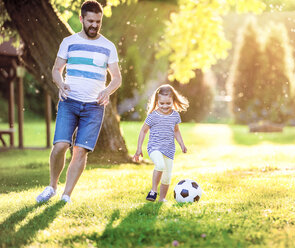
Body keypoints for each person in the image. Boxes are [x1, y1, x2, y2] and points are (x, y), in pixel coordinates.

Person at [36, 0, 122, 204]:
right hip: (69, 102)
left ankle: (66, 195)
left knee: (80, 150)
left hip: (94, 106)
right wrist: (61, 84)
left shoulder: (108, 46)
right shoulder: (69, 42)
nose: (94, 25)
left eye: (98, 22)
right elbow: (56, 70)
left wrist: (108, 90)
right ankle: (52, 186)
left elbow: (117, 78)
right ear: (82, 19)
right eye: (90, 21)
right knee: (60, 146)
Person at [133, 84, 189, 202]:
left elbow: (176, 131)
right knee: (160, 165)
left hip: (169, 149)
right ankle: (153, 191)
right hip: (154, 148)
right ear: (157, 101)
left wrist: (182, 144)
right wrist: (139, 149)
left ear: (173, 101)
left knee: (167, 176)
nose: (165, 106)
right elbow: (143, 131)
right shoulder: (153, 116)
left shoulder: (175, 115)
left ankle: (162, 199)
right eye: (161, 103)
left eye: (168, 103)